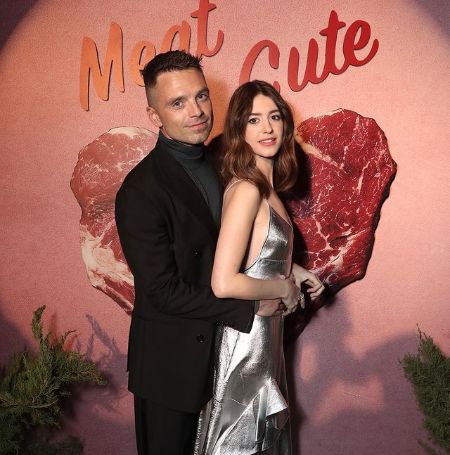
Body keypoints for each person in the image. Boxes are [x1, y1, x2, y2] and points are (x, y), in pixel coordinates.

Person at [115, 51, 299, 455]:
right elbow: (161, 292)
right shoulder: (140, 191)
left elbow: (238, 243)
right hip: (172, 368)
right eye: (177, 103)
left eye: (201, 96)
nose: (196, 111)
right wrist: (249, 307)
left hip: (225, 358)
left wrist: (291, 269)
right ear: (154, 115)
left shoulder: (223, 161)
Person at [194, 81, 324, 454]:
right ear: (239, 129)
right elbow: (223, 282)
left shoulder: (269, 190)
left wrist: (293, 271)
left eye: (274, 117)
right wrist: (284, 288)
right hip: (245, 343)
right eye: (253, 120)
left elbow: (258, 255)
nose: (267, 128)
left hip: (266, 342)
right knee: (238, 443)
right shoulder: (247, 190)